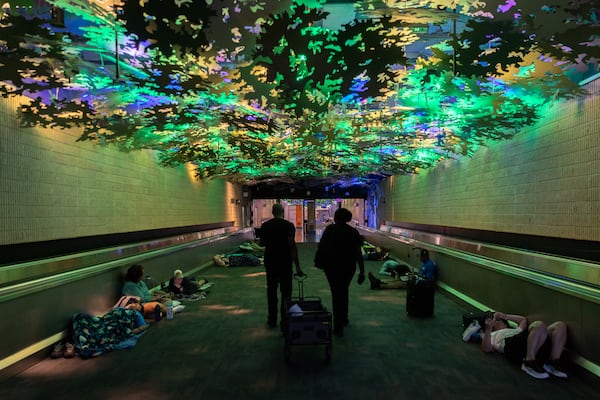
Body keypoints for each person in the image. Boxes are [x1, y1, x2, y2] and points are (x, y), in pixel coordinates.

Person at [316, 207, 365, 337]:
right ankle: (344, 317)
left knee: (336, 293)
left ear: (336, 218)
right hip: (348, 267)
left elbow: (321, 246)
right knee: (344, 290)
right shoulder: (353, 232)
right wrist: (362, 271)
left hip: (331, 267)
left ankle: (338, 326)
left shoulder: (330, 230)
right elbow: (358, 253)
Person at [480, 311, 568, 379]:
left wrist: (505, 316)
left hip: (531, 342)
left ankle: (552, 362)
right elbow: (486, 349)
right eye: (493, 320)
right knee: (539, 325)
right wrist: (488, 328)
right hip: (510, 345)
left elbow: (523, 320)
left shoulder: (516, 329)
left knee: (560, 326)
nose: (495, 320)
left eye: (497, 319)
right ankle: (529, 362)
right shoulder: (492, 334)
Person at [258, 203, 304, 329]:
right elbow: (292, 246)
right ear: (283, 211)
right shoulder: (289, 226)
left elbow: (261, 244)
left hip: (271, 261)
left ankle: (272, 319)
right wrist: (298, 266)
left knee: (271, 291)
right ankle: (285, 319)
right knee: (286, 292)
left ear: (272, 212)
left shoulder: (265, 226)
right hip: (285, 262)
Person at [368, 249, 436, 290]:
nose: (422, 258)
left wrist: (415, 278)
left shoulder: (429, 265)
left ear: (427, 256)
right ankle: (378, 281)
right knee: (399, 279)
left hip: (423, 285)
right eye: (422, 256)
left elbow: (427, 279)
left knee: (400, 283)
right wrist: (414, 275)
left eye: (424, 256)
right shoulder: (424, 263)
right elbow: (421, 275)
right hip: (418, 280)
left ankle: (379, 285)